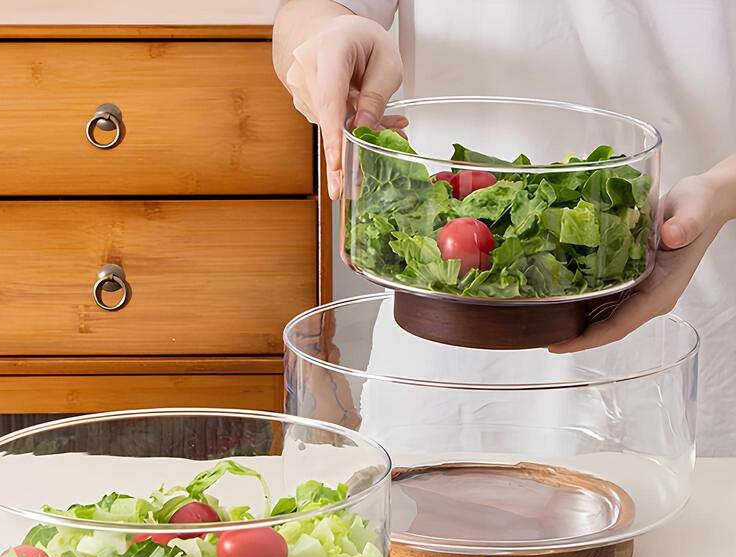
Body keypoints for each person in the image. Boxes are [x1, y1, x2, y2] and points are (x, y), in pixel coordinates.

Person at [273, 0, 736, 457]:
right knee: (432, 518)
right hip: (441, 328)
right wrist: (327, 39)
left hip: (685, 325)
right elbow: (308, 15)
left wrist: (719, 192)